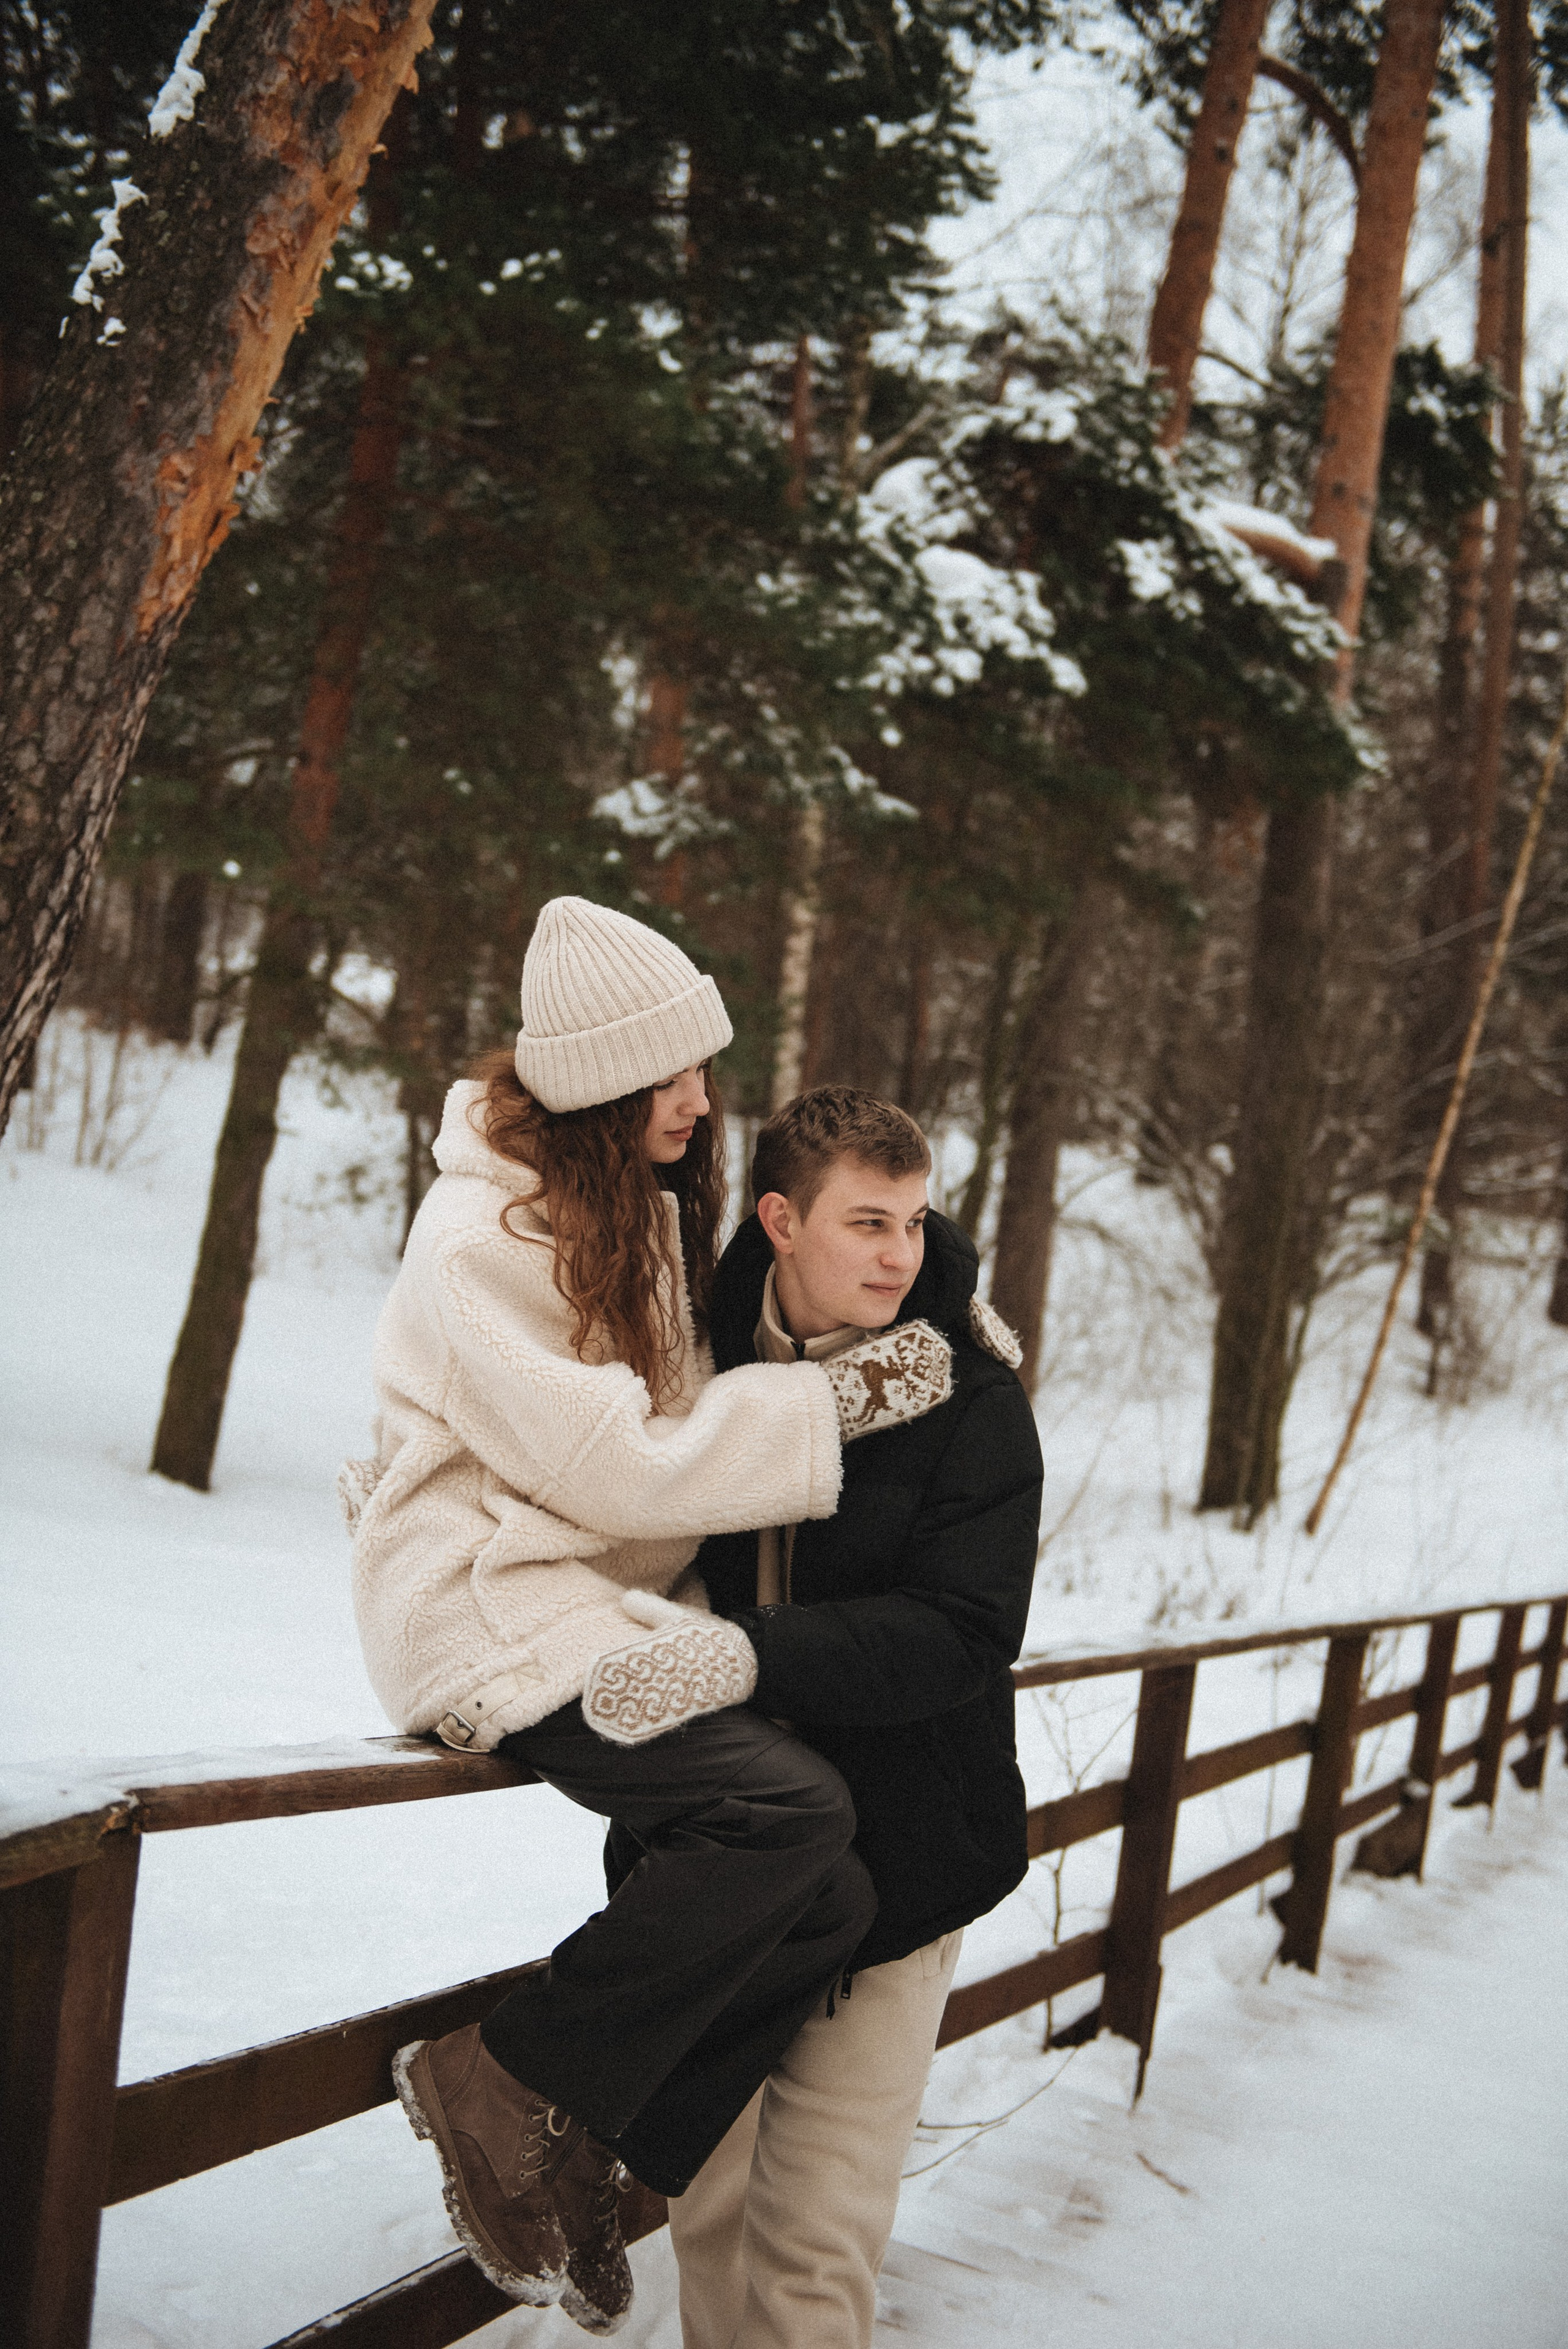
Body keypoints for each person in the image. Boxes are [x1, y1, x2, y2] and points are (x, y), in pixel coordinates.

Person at [340, 897, 954, 2335]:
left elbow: (661, 1450)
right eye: (670, 1074)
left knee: (836, 1894)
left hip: (590, 1599)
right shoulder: (475, 1241)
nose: (697, 1098)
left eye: (699, 1068)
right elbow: (617, 1462)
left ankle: (592, 2151)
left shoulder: (630, 1210)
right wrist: (834, 1402)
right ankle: (498, 2077)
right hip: (482, 1605)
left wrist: (921, 1338)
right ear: (604, 1083)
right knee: (784, 1812)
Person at [662, 1085, 1044, 2349]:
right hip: (722, 1864)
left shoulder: (968, 1394)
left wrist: (743, 1655)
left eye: (914, 1222)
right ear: (780, 1220)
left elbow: (963, 1631)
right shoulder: (695, 1364)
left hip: (899, 1864)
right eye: (868, 1223)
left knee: (815, 2244)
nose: (899, 1256)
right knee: (706, 2215)